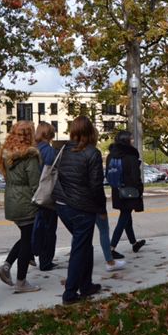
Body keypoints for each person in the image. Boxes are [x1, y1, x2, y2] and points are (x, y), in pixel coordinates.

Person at [51, 116, 104, 305]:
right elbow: (96, 186)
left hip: (62, 205)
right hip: (81, 207)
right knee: (80, 248)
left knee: (84, 245)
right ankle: (70, 293)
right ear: (91, 131)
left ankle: (86, 284)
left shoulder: (62, 150)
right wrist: (101, 209)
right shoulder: (92, 153)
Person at [0, 121, 42, 293]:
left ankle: (6, 267)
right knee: (27, 241)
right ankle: (21, 282)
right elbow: (35, 184)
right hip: (26, 202)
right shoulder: (30, 156)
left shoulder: (6, 155)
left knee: (25, 236)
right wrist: (42, 201)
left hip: (12, 201)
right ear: (30, 134)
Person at [106, 130, 146, 259]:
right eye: (131, 138)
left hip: (117, 191)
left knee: (127, 217)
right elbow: (135, 177)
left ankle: (134, 243)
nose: (133, 140)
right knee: (124, 218)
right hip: (130, 192)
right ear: (126, 140)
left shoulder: (111, 155)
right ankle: (111, 248)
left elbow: (108, 173)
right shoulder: (131, 156)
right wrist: (140, 190)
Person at [32, 122, 58, 271]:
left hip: (34, 193)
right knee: (49, 229)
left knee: (38, 227)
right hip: (46, 194)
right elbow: (51, 173)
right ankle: (46, 260)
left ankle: (35, 253)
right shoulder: (49, 151)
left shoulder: (33, 149)